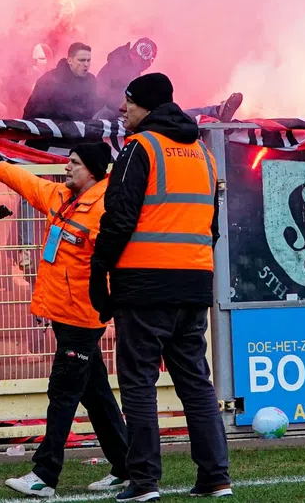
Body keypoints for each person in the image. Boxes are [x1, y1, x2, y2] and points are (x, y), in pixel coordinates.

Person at [89, 73, 229, 500]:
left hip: (144, 283)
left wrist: (99, 273)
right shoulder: (204, 154)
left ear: (145, 106)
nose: (122, 109)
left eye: (127, 101)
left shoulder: (139, 148)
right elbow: (212, 226)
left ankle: (144, 480)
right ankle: (215, 477)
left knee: (138, 382)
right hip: (193, 283)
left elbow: (119, 217)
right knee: (195, 382)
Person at [0, 142, 129, 498]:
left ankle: (45, 474)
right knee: (96, 395)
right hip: (64, 314)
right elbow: (28, 183)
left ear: (92, 169)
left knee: (62, 393)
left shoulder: (107, 206)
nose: (66, 168)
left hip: (83, 316)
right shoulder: (62, 196)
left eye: (74, 163)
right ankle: (126, 466)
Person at [21, 42, 102, 122]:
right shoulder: (49, 81)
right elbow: (32, 112)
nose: (86, 64)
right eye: (82, 60)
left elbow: (94, 110)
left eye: (88, 60)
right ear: (70, 60)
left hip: (81, 133)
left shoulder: (91, 81)